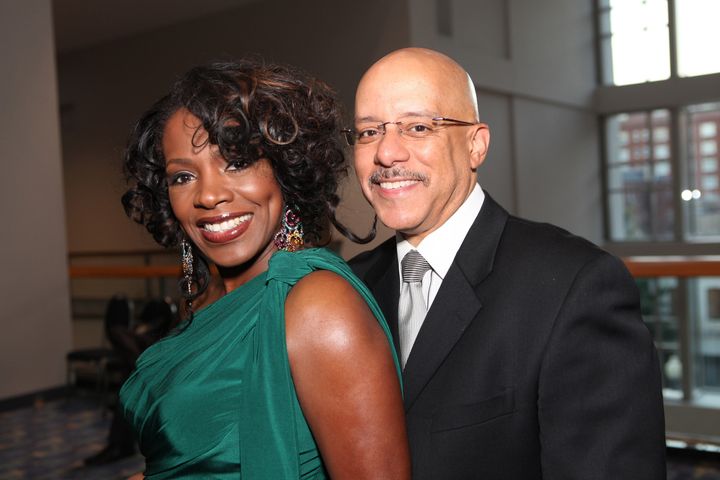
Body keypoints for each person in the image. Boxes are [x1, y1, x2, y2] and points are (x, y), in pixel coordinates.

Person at [347, 47, 666, 479]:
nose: (387, 153)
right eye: (369, 132)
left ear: (476, 145)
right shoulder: (352, 286)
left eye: (418, 126)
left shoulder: (575, 286)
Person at [119, 59, 410, 479]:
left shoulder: (317, 305)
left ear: (285, 170)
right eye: (183, 176)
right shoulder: (208, 297)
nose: (209, 195)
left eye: (236, 163)